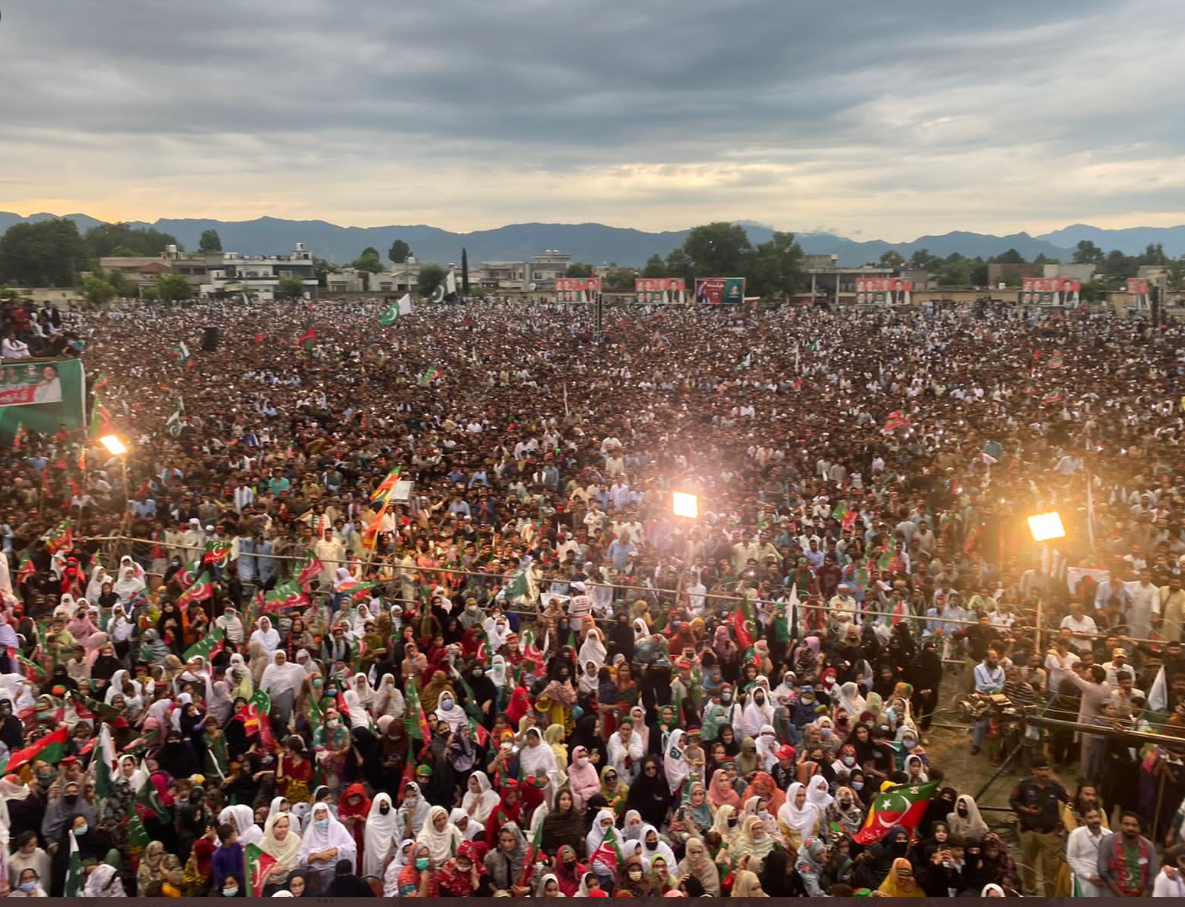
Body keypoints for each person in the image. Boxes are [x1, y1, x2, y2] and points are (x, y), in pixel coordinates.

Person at [1009, 756, 1068, 896]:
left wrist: (1063, 822)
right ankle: (1030, 891)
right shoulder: (1023, 785)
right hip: (1028, 832)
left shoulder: (1056, 787)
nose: (1044, 773)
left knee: (1050, 869)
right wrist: (1026, 811)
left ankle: (1050, 897)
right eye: (1040, 769)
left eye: (1046, 769)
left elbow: (1070, 803)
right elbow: (1013, 801)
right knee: (1028, 864)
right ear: (1033, 770)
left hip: (1049, 835)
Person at [1098, 811, 1158, 897]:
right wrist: (1122, 896)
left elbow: (1152, 876)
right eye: (1126, 824)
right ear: (1120, 825)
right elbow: (1103, 872)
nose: (1130, 828)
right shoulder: (1108, 842)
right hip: (1113, 893)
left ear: (1140, 828)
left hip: (1141, 894)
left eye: (1134, 825)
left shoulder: (1149, 846)